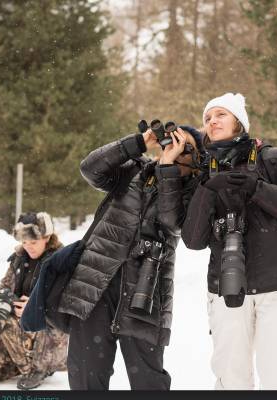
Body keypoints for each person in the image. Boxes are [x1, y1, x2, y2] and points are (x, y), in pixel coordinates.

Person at [181, 93, 277, 389]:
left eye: (220, 114)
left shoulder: (273, 159)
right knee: (232, 378)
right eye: (207, 118)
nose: (212, 121)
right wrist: (207, 189)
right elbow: (193, 240)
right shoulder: (203, 170)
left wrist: (258, 189)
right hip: (226, 289)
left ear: (239, 122)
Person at [57, 126, 202, 390]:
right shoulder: (134, 171)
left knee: (148, 381)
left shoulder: (194, 189)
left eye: (184, 145)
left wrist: (168, 168)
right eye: (172, 141)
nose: (173, 147)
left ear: (195, 157)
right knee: (86, 377)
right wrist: (138, 142)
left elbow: (172, 221)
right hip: (95, 287)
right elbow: (90, 169)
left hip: (146, 292)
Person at [0, 212, 68, 390]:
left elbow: (69, 302)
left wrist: (35, 306)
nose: (28, 247)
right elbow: (2, 287)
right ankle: (22, 357)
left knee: (7, 323)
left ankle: (36, 368)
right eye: (24, 242)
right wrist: (4, 299)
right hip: (20, 327)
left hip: (49, 334)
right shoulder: (19, 258)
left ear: (47, 237)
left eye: (33, 242)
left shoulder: (61, 260)